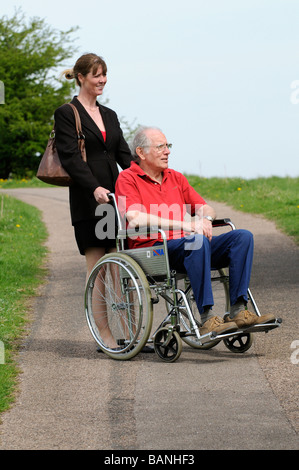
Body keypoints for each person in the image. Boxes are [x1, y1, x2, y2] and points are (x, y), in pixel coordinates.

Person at [115, 126, 276, 335]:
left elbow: (205, 207)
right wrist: (187, 225)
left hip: (187, 247)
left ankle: (238, 310)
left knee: (242, 237)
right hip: (153, 250)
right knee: (196, 241)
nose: (168, 151)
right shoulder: (128, 178)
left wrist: (206, 218)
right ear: (141, 152)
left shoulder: (176, 177)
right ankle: (207, 317)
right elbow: (134, 217)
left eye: (168, 145)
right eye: (161, 147)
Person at [54, 53, 132, 348]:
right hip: (89, 200)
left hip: (115, 198)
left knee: (120, 267)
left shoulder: (109, 114)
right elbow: (71, 158)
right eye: (97, 75)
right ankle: (106, 336)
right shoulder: (66, 113)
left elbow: (123, 153)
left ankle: (129, 333)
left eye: (105, 74)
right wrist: (94, 188)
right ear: (81, 77)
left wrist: (149, 173)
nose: (102, 80)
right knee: (98, 269)